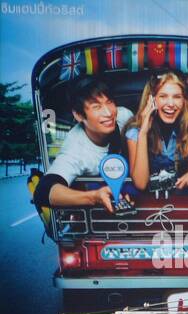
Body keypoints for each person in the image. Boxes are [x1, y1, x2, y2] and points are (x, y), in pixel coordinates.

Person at [32, 75, 133, 214]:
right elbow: (44, 191)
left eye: (109, 102)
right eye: (96, 106)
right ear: (79, 115)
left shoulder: (124, 116)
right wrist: (93, 197)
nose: (109, 113)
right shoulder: (75, 149)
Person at [124, 73, 188, 192]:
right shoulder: (134, 132)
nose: (171, 104)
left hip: (181, 201)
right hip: (149, 202)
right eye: (163, 96)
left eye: (177, 97)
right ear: (151, 99)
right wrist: (143, 133)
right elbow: (141, 184)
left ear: (184, 100)